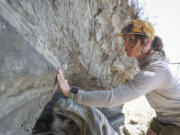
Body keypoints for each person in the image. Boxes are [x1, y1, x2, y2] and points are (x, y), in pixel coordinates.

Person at [56, 19, 180, 135]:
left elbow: (113, 98)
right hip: (164, 119)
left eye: (131, 39)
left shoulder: (157, 71)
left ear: (147, 41)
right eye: (125, 39)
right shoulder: (151, 66)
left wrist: (71, 93)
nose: (125, 44)